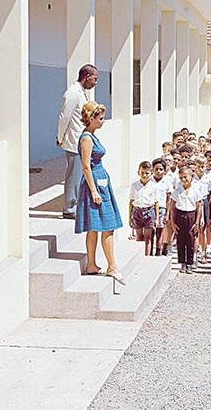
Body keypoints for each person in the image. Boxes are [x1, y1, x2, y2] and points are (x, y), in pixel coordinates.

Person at [74, 101, 125, 285]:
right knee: (106, 226)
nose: (103, 121)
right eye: (100, 118)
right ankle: (112, 267)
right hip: (95, 183)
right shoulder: (87, 138)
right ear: (91, 118)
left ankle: (92, 264)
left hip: (101, 181)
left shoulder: (91, 136)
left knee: (95, 227)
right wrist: (94, 191)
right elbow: (86, 166)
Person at [58, 64, 99, 219]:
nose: (95, 83)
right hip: (73, 141)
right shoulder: (73, 93)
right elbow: (64, 117)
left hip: (81, 141)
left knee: (80, 175)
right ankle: (69, 208)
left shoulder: (81, 93)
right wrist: (60, 138)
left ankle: (76, 205)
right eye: (95, 79)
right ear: (87, 76)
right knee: (73, 176)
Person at [170, 166, 203, 273]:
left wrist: (197, 222)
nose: (183, 180)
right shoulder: (177, 191)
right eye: (181, 178)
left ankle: (190, 262)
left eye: (185, 177)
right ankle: (182, 263)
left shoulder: (195, 190)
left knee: (190, 240)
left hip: (191, 216)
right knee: (180, 241)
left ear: (191, 177)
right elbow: (173, 207)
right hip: (180, 215)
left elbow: (199, 207)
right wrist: (173, 222)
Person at [129, 161, 159, 257]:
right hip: (137, 212)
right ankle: (139, 257)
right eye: (142, 173)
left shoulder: (153, 186)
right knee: (138, 237)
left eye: (147, 173)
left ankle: (146, 257)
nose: (144, 175)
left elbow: (156, 202)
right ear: (138, 173)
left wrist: (157, 218)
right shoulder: (134, 185)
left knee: (148, 238)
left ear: (151, 173)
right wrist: (129, 217)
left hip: (149, 212)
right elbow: (131, 201)